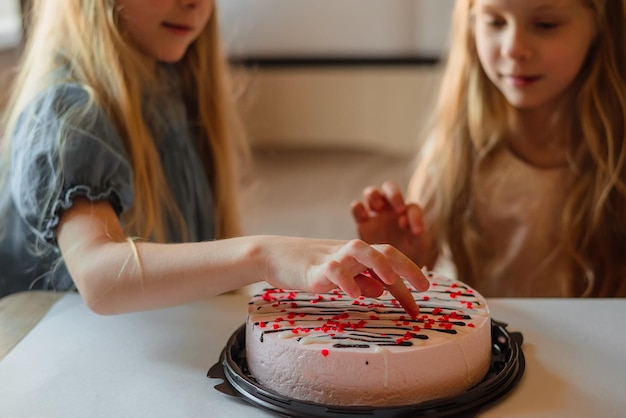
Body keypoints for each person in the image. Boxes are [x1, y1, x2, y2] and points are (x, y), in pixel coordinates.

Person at [0, 0, 429, 315]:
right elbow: (99, 275)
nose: (195, 4)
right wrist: (265, 254)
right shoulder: (68, 109)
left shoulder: (174, 88)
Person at [352, 0, 626, 297]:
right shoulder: (451, 155)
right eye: (495, 22)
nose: (513, 48)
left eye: (546, 24)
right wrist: (404, 256)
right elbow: (420, 290)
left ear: (601, 25)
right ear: (470, 25)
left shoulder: (617, 155)